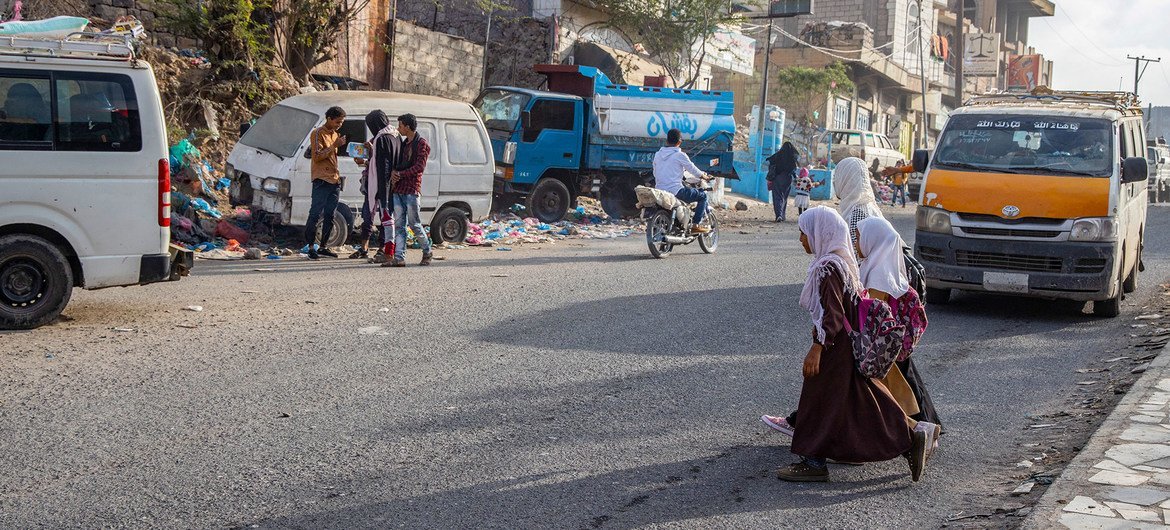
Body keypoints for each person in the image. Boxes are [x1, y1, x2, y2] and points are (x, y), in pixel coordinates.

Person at [775, 206, 928, 483]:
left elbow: (831, 313)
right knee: (861, 399)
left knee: (817, 400)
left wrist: (818, 347)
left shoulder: (827, 267)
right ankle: (912, 437)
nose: (801, 239)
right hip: (847, 345)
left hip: (834, 347)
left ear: (821, 233)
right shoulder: (843, 262)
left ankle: (813, 462)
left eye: (804, 233)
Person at [856, 216, 940, 448]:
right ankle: (923, 428)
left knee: (886, 394)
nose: (855, 243)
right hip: (894, 342)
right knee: (904, 388)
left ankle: (917, 432)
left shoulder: (878, 273)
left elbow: (872, 313)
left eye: (859, 237)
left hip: (879, 345)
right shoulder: (885, 263)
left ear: (873, 240)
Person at [386, 113, 434, 267]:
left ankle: (427, 251)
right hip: (399, 189)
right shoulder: (404, 143)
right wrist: (394, 173)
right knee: (399, 225)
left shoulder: (422, 144)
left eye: (400, 125)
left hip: (412, 189)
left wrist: (400, 174)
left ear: (407, 126)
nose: (398, 128)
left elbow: (419, 167)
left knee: (415, 224)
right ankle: (399, 258)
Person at [351, 110, 399, 262]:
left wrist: (383, 186)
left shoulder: (383, 138)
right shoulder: (392, 136)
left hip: (381, 184)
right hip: (376, 182)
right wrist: (368, 156)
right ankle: (365, 248)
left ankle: (383, 249)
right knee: (369, 215)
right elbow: (377, 161)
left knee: (383, 216)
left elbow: (383, 164)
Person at [305, 106, 348, 260]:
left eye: (341, 123)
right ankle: (311, 247)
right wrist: (334, 146)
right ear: (329, 118)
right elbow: (316, 156)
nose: (339, 125)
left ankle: (323, 247)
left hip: (334, 179)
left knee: (330, 214)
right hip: (321, 179)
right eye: (337, 122)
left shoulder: (335, 134)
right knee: (315, 214)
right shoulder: (318, 133)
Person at [652, 128, 711, 234]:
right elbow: (692, 169)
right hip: (676, 191)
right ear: (679, 142)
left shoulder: (658, 155)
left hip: (660, 191)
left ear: (667, 141)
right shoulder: (680, 155)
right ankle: (695, 225)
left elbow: (655, 173)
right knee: (702, 196)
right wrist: (704, 176)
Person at [766, 141, 800, 222]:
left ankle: (778, 215)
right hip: (788, 179)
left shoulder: (778, 155)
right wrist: (795, 177)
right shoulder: (791, 157)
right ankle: (783, 215)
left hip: (777, 178)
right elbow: (793, 169)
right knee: (784, 197)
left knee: (777, 196)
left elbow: (770, 161)